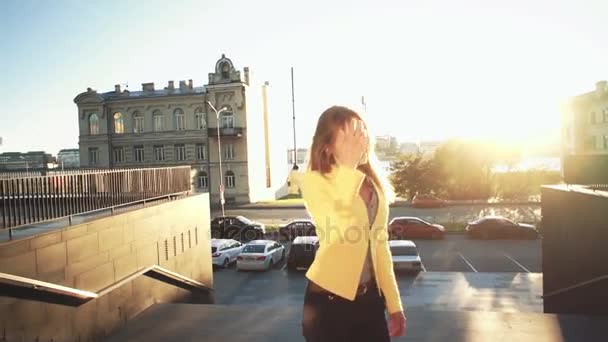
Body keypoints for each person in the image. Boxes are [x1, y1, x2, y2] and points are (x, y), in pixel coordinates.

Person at [295, 106, 406, 341]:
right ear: (327, 146)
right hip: (327, 305)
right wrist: (347, 167)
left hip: (370, 302)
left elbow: (380, 247)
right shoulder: (314, 182)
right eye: (350, 134)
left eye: (362, 130)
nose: (360, 138)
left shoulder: (373, 186)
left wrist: (394, 304)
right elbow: (338, 228)